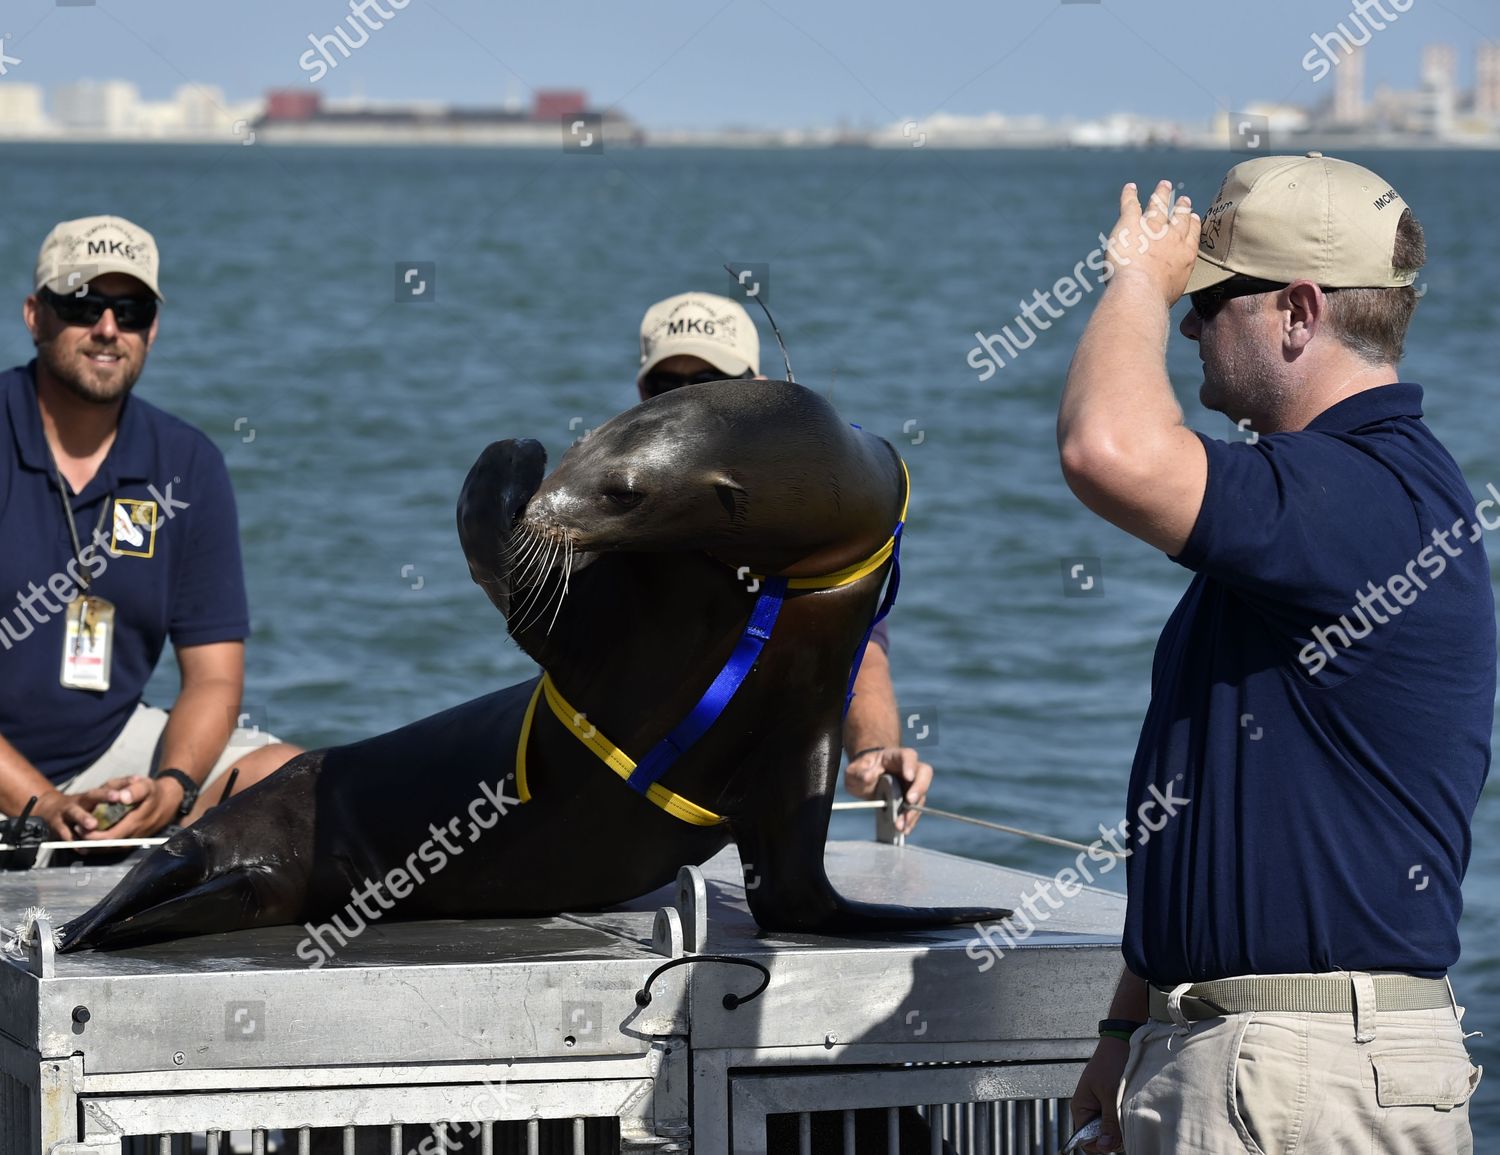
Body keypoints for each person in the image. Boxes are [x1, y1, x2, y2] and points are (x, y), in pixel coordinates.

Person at [1058, 156, 1488, 1152]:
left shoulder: (1361, 497)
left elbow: (1106, 450)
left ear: (1299, 311)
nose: (1187, 324)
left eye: (1208, 297)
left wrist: (1134, 277)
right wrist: (1131, 1027)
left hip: (1301, 1073)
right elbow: (1228, 807)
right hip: (1252, 1056)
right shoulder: (1314, 511)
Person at [0, 216, 301, 844]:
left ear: (151, 329)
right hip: (18, 780)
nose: (108, 329)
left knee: (297, 780)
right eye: (83, 304)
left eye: (131, 310)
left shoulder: (188, 464)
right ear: (35, 315)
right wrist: (45, 803)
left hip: (109, 754)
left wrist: (171, 787)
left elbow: (214, 676)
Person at [634, 291, 931, 832]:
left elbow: (856, 651)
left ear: (756, 390)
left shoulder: (807, 516)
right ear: (641, 394)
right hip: (623, 796)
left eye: (707, 386)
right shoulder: (607, 507)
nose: (683, 403)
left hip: (743, 816)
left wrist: (872, 754)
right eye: (667, 387)